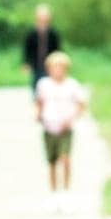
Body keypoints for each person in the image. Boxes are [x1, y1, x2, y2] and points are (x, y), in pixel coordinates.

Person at [34, 51, 88, 195]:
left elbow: (82, 105)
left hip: (65, 127)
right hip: (49, 126)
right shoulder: (43, 84)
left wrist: (71, 119)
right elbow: (39, 102)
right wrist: (38, 114)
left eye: (60, 67)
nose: (57, 71)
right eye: (54, 67)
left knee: (65, 159)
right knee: (51, 162)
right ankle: (54, 193)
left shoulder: (72, 85)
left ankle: (66, 191)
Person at [20, 4, 62, 96]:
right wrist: (26, 63)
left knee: (51, 86)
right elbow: (27, 50)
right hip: (36, 64)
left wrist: (59, 63)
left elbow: (58, 50)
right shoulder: (31, 33)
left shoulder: (53, 33)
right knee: (36, 86)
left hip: (50, 65)